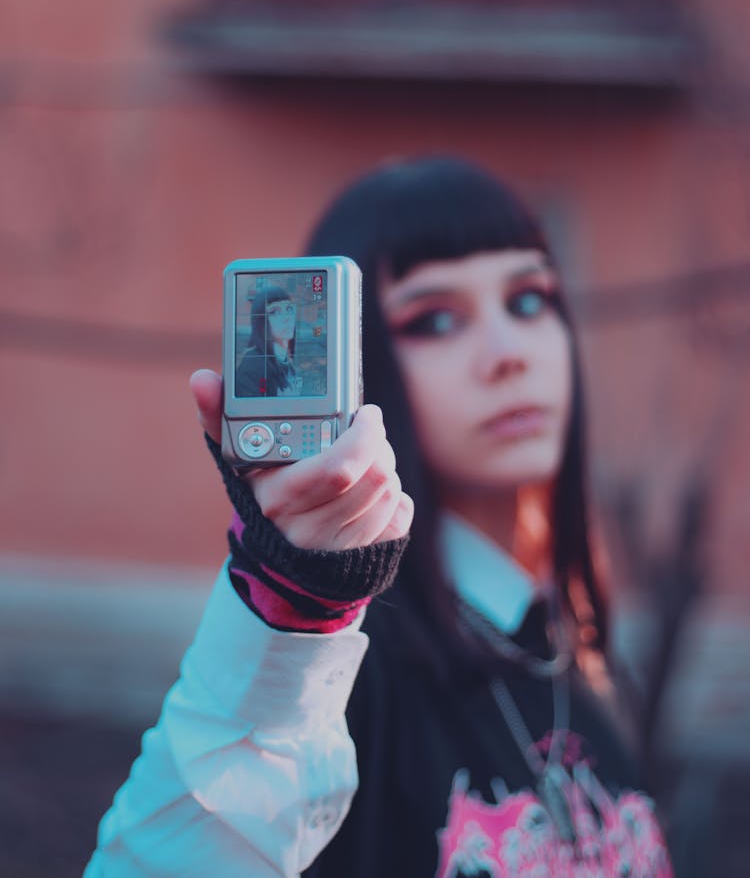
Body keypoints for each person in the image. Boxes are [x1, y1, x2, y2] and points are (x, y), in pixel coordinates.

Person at [85, 157, 673, 877]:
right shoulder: (337, 662)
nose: (507, 355)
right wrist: (294, 608)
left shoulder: (572, 649)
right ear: (351, 360)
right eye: (435, 319)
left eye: (528, 300)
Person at [236, 285, 301, 397]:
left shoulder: (285, 360)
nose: (286, 318)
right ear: (261, 321)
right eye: (275, 312)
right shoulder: (253, 366)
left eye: (289, 309)